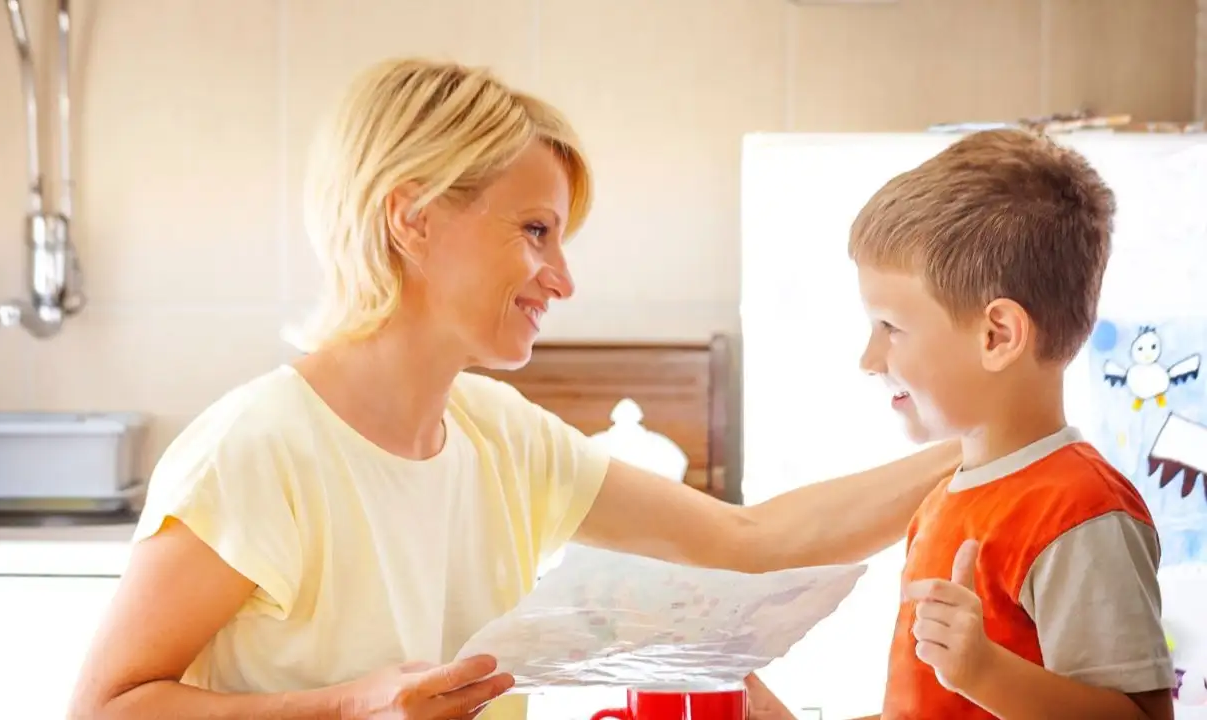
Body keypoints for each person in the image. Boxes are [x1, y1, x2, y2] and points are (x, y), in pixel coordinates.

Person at [66, 57, 960, 720]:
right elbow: (106, 707)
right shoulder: (261, 450)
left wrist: (999, 441)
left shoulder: (495, 431)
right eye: (536, 230)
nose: (561, 278)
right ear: (411, 220)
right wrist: (350, 707)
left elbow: (747, 540)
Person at [827, 129, 1175, 719]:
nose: (868, 359)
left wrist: (983, 672)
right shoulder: (944, 501)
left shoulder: (1079, 512)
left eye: (890, 326)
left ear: (998, 336)